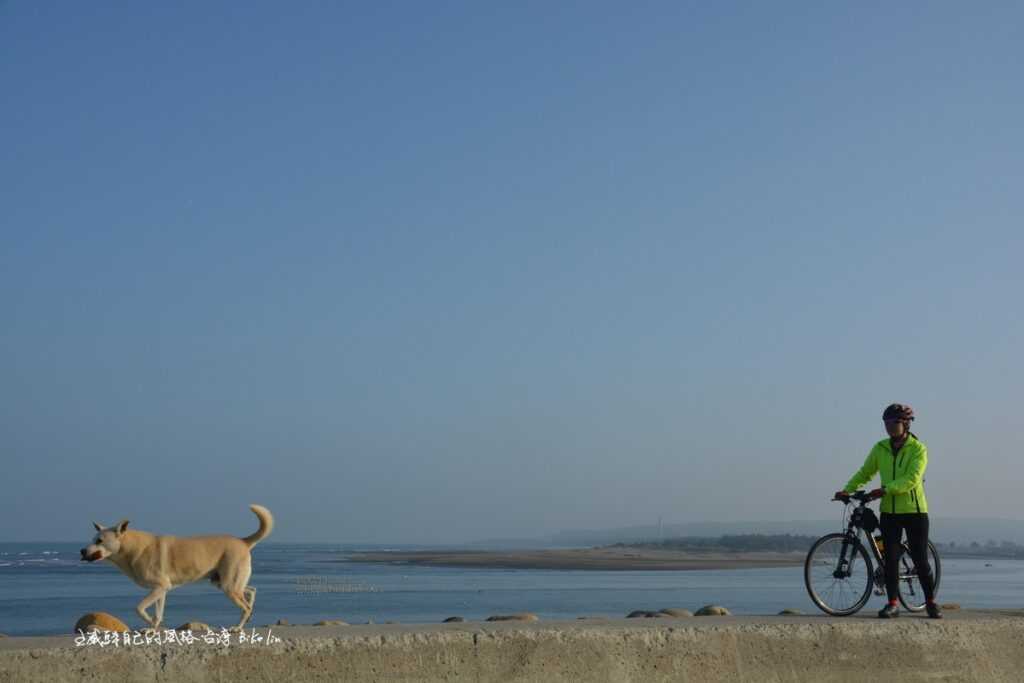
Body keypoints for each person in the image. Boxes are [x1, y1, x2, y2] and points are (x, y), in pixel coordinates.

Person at [834, 403, 941, 619]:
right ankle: (892, 603)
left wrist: (885, 490)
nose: (890, 427)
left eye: (894, 423)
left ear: (906, 424)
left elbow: (912, 479)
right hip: (889, 513)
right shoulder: (880, 448)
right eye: (886, 423)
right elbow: (865, 472)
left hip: (914, 512)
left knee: (920, 559)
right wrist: (847, 489)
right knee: (890, 558)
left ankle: (931, 602)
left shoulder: (918, 449)